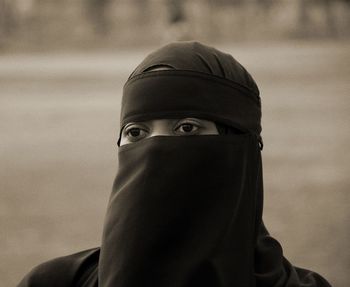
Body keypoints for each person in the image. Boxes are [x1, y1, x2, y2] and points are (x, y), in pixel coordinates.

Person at [17, 41, 331, 287]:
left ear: (240, 151)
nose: (156, 148)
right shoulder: (52, 282)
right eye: (136, 132)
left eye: (187, 128)